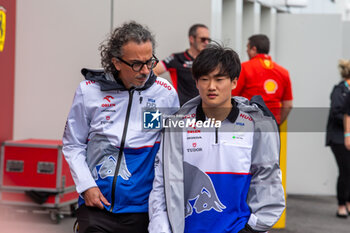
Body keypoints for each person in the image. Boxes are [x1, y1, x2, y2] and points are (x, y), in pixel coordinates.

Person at [148, 44, 285, 233]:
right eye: (204, 79)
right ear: (196, 82)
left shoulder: (256, 126)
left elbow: (268, 181)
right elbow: (162, 183)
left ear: (234, 82)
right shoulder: (176, 126)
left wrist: (253, 229)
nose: (211, 86)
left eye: (219, 79)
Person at [62, 21, 179, 233]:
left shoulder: (166, 94)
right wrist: (86, 185)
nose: (145, 71)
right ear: (116, 63)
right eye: (136, 64)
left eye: (149, 62)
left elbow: (173, 149)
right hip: (96, 204)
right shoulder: (88, 91)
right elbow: (73, 144)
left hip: (143, 209)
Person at [231, 34, 293, 125]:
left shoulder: (244, 68)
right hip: (272, 124)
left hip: (248, 123)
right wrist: (277, 123)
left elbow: (232, 97)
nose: (246, 51)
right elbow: (288, 105)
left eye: (247, 48)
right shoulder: (283, 72)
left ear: (254, 49)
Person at [153, 24, 211, 106]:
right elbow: (153, 70)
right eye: (203, 39)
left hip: (205, 108)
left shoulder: (209, 60)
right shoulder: (177, 58)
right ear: (191, 39)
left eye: (208, 40)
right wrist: (164, 89)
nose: (206, 42)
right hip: (184, 110)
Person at [326, 59, 350, 218]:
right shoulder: (340, 90)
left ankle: (348, 202)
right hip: (338, 138)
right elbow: (337, 113)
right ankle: (342, 204)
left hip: (346, 135)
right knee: (345, 170)